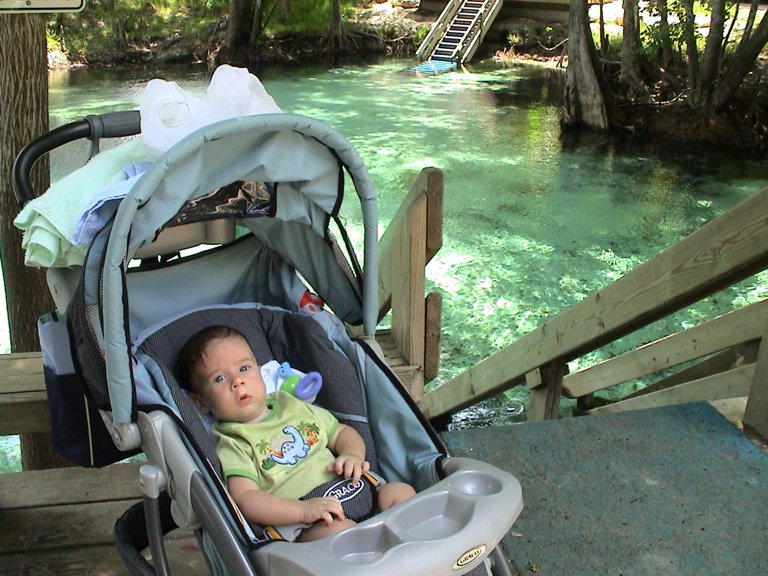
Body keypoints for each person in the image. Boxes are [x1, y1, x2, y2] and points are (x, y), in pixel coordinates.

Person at [178, 325, 416, 541]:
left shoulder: (289, 404)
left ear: (260, 372)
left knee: (401, 493)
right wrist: (301, 511)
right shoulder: (232, 441)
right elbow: (246, 498)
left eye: (244, 368)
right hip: (309, 523)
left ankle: (419, 554)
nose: (237, 381)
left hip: (357, 488)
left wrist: (352, 455)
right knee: (341, 534)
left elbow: (341, 432)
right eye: (220, 378)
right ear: (201, 402)